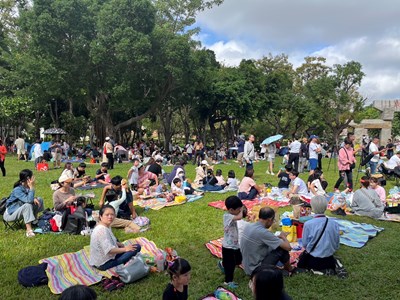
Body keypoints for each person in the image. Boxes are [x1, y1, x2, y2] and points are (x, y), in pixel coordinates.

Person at [240, 207, 295, 277]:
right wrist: (283, 237)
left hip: (247, 266)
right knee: (281, 248)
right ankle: (289, 268)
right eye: (273, 220)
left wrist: (276, 238)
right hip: (255, 270)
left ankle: (284, 269)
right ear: (269, 220)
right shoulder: (263, 232)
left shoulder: (249, 226)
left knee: (277, 244)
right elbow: (288, 247)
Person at [89, 205, 141, 270]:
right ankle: (124, 261)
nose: (110, 217)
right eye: (107, 215)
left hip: (105, 258)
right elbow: (110, 250)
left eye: (112, 214)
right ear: (101, 216)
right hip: (103, 263)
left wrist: (119, 244)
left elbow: (110, 239)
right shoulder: (101, 230)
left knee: (125, 245)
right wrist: (125, 249)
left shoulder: (105, 225)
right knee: (137, 247)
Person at [298, 195, 340, 273]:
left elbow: (305, 244)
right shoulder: (334, 223)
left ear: (312, 208)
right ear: (326, 207)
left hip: (314, 260)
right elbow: (337, 243)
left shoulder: (308, 224)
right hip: (329, 260)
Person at [3, 169, 44, 237]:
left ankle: (34, 221)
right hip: (10, 214)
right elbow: (28, 200)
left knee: (39, 199)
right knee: (27, 205)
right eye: (32, 177)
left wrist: (34, 198)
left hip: (19, 209)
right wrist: (31, 188)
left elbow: (28, 198)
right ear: (28, 179)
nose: (33, 179)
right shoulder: (17, 189)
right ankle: (29, 230)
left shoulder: (26, 187)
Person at [218, 196, 244, 288]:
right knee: (230, 265)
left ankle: (222, 264)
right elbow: (240, 216)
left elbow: (240, 216)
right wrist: (242, 209)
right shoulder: (227, 216)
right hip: (228, 246)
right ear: (232, 210)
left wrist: (242, 210)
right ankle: (228, 281)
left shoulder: (233, 215)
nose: (240, 210)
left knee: (239, 260)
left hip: (235, 244)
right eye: (238, 209)